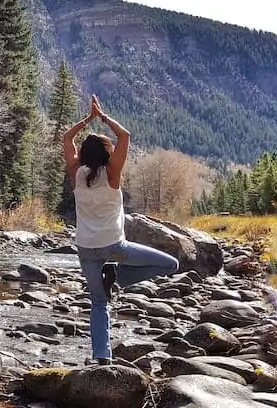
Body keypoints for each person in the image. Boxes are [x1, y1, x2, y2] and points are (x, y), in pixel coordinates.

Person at [62, 94, 179, 365]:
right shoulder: (112, 175)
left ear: (84, 156)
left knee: (99, 303)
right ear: (107, 154)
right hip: (115, 246)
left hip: (86, 248)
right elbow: (124, 136)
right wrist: (102, 117)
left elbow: (67, 139)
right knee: (171, 264)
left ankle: (102, 356)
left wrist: (86, 120)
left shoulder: (76, 174)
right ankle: (117, 274)